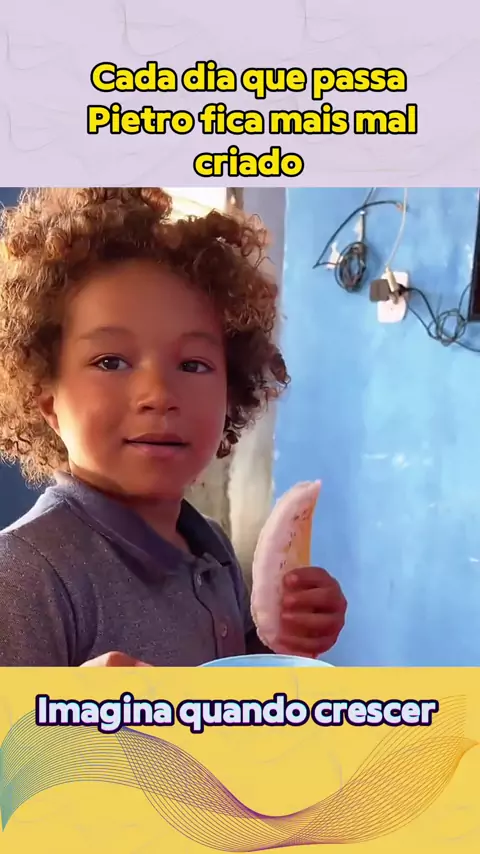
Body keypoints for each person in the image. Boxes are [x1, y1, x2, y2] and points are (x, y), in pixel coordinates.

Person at [0, 187, 346, 667]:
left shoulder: (210, 546)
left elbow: (222, 683)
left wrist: (281, 640)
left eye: (193, 365)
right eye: (111, 361)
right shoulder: (24, 573)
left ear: (231, 392)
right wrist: (64, 709)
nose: (158, 393)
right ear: (48, 402)